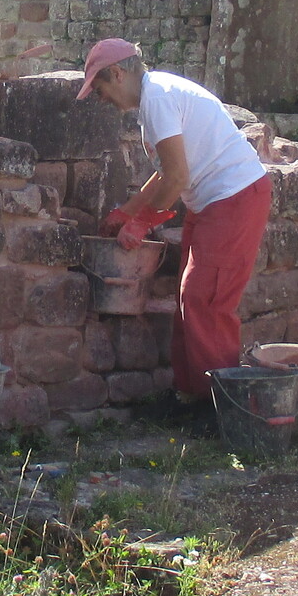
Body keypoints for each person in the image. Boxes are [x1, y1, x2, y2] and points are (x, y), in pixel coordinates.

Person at [76, 38, 272, 408]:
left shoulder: (158, 97)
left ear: (117, 73)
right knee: (190, 298)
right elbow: (168, 170)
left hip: (234, 198)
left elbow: (177, 177)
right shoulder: (155, 96)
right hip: (215, 201)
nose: (101, 99)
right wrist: (127, 211)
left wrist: (142, 223)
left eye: (99, 89)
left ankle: (222, 406)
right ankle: (192, 395)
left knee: (205, 300)